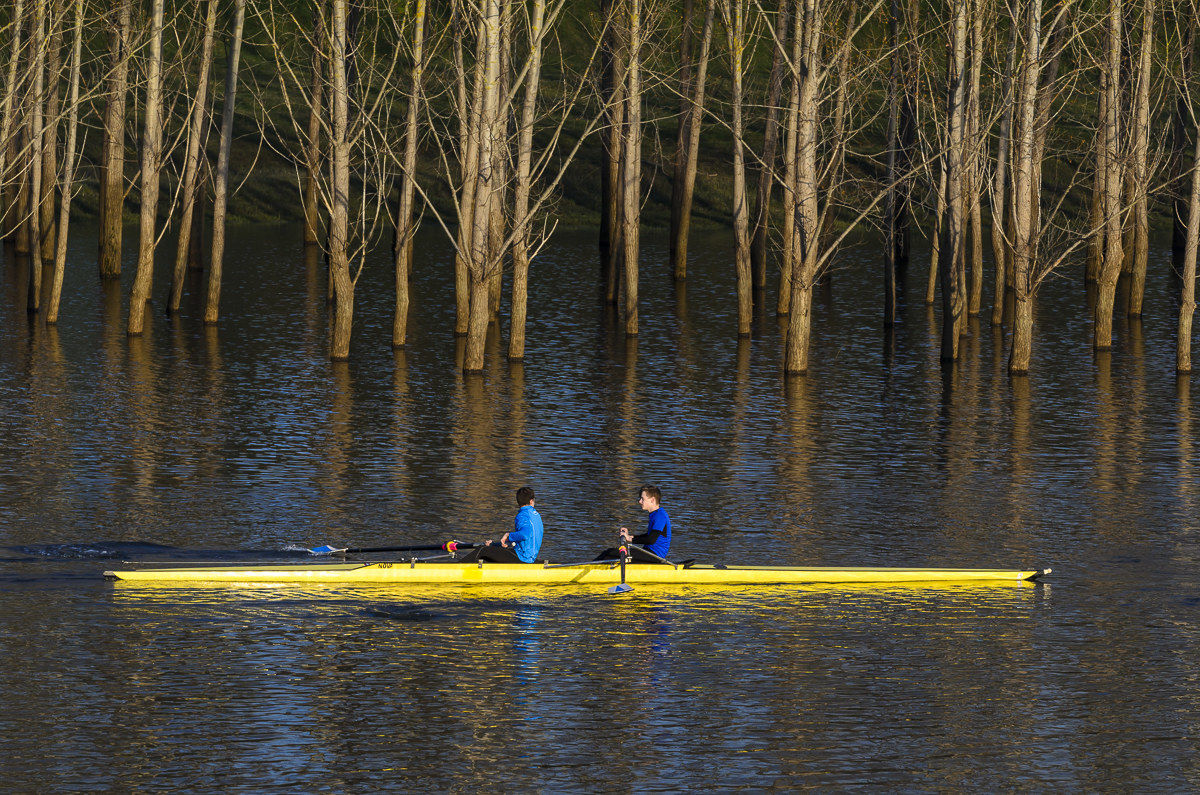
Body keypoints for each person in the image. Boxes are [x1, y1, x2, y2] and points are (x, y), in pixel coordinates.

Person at [457, 487, 544, 564]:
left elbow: (525, 534)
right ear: (531, 501)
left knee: (482, 550)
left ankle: (456, 568)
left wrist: (508, 535)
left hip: (523, 558)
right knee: (490, 549)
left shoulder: (523, 515)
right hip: (528, 556)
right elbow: (527, 538)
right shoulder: (536, 515)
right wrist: (495, 545)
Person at [595, 485, 672, 563]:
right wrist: (630, 536)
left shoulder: (660, 516)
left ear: (652, 500)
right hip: (649, 553)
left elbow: (651, 539)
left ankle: (591, 570)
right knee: (609, 552)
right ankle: (589, 567)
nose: (639, 501)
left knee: (611, 554)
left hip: (655, 557)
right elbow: (649, 535)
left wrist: (630, 539)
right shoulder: (655, 514)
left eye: (642, 499)